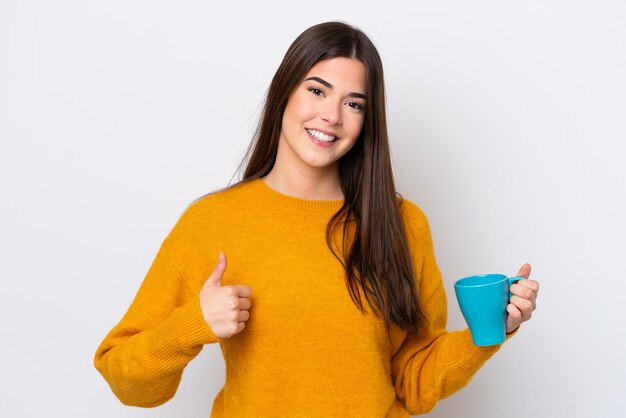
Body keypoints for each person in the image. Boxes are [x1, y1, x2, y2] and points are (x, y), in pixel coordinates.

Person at [94, 21, 539, 417]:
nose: (331, 115)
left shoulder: (401, 224)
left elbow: (413, 384)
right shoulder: (212, 221)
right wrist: (193, 324)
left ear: (367, 120)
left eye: (354, 104)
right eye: (317, 90)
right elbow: (126, 380)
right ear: (285, 91)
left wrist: (493, 331)